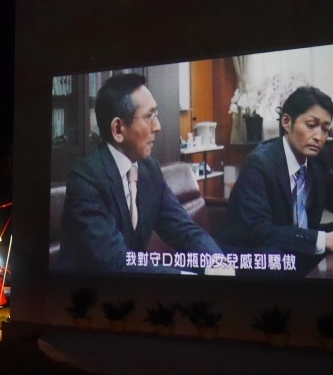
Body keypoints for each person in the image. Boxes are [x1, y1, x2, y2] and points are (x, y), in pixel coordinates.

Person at [58, 73, 225, 274]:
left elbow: (183, 229)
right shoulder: (85, 179)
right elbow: (115, 262)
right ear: (118, 129)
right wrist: (185, 278)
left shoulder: (149, 167)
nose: (158, 126)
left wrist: (218, 263)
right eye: (149, 116)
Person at [220, 85, 333, 274]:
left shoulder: (318, 158)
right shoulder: (260, 163)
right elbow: (257, 231)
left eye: (325, 129)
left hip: (297, 242)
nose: (318, 137)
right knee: (277, 260)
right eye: (310, 125)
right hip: (257, 248)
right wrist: (324, 240)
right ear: (286, 122)